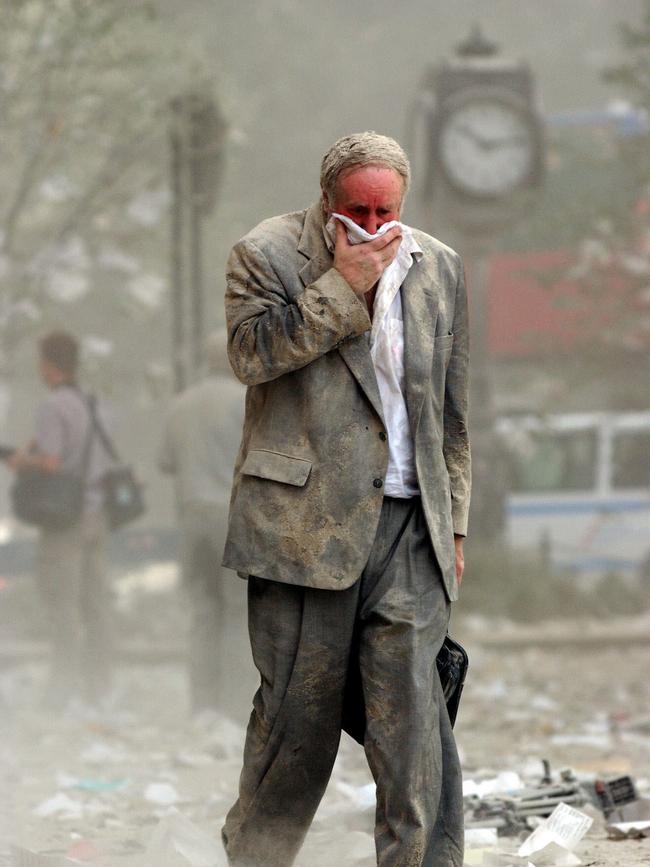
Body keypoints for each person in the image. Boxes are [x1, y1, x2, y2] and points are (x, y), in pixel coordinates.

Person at [221, 132, 471, 867]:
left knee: (414, 727)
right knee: (295, 732)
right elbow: (250, 354)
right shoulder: (265, 255)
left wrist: (453, 521)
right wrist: (343, 287)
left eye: (384, 209)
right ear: (327, 200)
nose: (371, 224)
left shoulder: (440, 268)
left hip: (410, 529)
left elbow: (453, 415)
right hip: (302, 531)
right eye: (355, 209)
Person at [9, 331, 115, 710]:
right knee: (96, 605)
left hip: (65, 522)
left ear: (48, 365)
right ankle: (100, 687)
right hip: (96, 514)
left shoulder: (53, 406)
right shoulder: (96, 403)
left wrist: (21, 461)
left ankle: (62, 689)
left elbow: (53, 462)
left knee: (63, 605)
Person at [158, 329, 245, 714]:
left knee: (203, 611)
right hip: (232, 517)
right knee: (236, 611)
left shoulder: (180, 404)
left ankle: (202, 704)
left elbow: (164, 462)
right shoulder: (246, 401)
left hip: (192, 517)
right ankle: (234, 704)